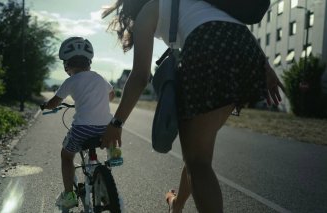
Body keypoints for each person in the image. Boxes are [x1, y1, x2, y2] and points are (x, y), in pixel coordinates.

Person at [100, 0, 285, 212]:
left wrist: (117, 122)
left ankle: (179, 204)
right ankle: (177, 205)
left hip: (206, 47)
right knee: (197, 156)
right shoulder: (196, 2)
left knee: (198, 162)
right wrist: (266, 66)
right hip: (247, 51)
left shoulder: (149, 10)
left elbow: (141, 76)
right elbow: (228, 24)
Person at [40, 37, 115, 208]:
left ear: (67, 65)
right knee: (109, 132)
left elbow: (54, 102)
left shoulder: (71, 81)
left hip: (82, 129)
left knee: (66, 156)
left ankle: (68, 195)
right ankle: (113, 156)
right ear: (89, 62)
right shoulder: (99, 77)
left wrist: (45, 105)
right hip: (106, 128)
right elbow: (111, 95)